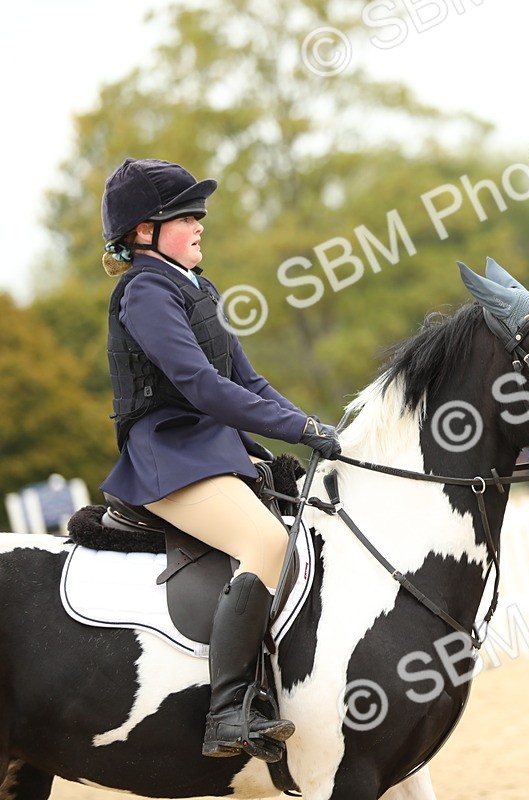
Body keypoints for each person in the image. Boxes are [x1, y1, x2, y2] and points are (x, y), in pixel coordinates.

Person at [97, 158, 341, 762]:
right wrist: (301, 429)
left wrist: (315, 429)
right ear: (142, 233)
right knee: (268, 543)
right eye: (184, 215)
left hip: (210, 450)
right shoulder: (145, 292)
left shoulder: (196, 288)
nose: (200, 222)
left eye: (199, 212)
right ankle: (228, 711)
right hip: (168, 456)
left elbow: (250, 382)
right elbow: (203, 387)